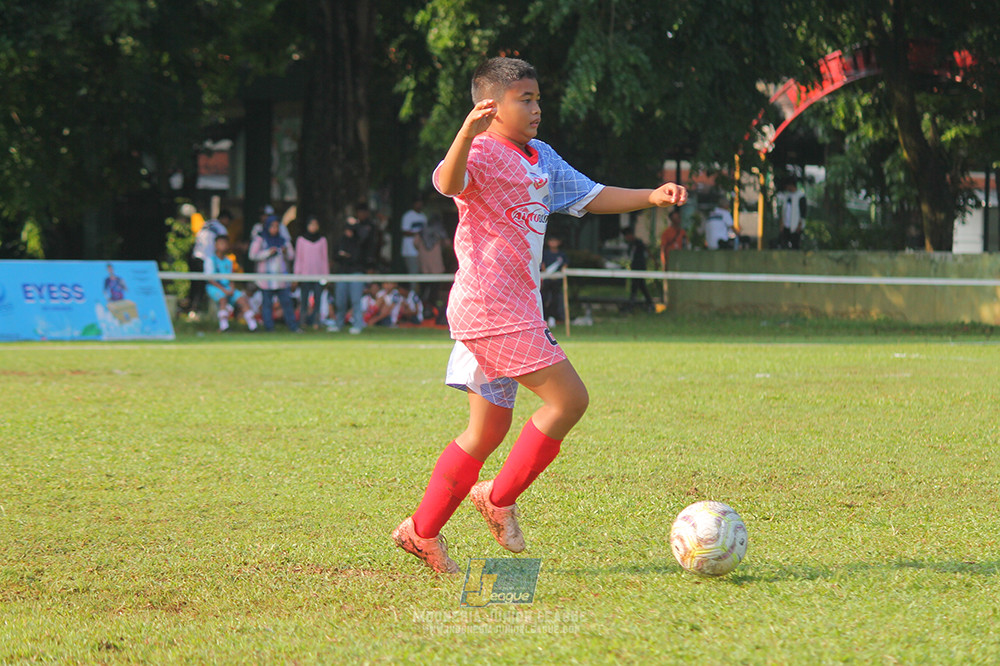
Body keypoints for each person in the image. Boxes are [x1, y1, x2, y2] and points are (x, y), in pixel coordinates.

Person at [390, 56, 687, 573]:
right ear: (490, 106)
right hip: (492, 308)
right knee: (569, 399)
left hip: (513, 307)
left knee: (485, 434)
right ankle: (498, 498)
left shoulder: (541, 156)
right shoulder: (479, 151)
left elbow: (591, 196)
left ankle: (421, 531)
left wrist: (650, 197)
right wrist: (464, 134)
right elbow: (447, 181)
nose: (536, 108)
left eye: (537, 98)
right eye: (524, 99)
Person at [249, 216, 300, 332]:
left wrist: (286, 252)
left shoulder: (283, 240)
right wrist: (268, 252)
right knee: (267, 304)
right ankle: (269, 328)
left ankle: (293, 327)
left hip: (281, 279)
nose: (275, 229)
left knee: (287, 303)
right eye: (272, 226)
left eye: (277, 226)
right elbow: (252, 255)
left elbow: (292, 256)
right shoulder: (260, 239)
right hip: (265, 279)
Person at [205, 235, 258, 332]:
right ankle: (224, 327)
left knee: (243, 300)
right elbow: (210, 279)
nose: (224, 245)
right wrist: (224, 290)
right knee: (222, 299)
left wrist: (232, 288)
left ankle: (253, 327)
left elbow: (231, 277)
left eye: (225, 243)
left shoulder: (229, 261)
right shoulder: (210, 260)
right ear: (216, 245)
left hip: (228, 287)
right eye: (221, 243)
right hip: (215, 287)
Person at [189, 210, 231, 313]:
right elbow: (224, 244)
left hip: (195, 256)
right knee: (203, 286)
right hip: (206, 258)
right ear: (224, 219)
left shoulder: (207, 223)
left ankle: (192, 309)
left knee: (195, 285)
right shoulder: (221, 228)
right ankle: (197, 310)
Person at [330, 218, 367, 334]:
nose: (349, 232)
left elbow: (357, 257)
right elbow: (335, 255)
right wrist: (345, 256)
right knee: (340, 301)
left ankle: (358, 325)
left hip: (356, 273)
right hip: (342, 273)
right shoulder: (341, 240)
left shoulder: (359, 241)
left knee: (356, 300)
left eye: (351, 229)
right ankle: (338, 324)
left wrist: (356, 224)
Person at [294, 215, 330, 330]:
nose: (313, 227)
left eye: (315, 225)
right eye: (311, 224)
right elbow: (298, 258)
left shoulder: (322, 240)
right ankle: (303, 321)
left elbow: (324, 259)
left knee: (318, 299)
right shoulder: (301, 240)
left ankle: (316, 321)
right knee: (304, 299)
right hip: (305, 275)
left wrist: (326, 276)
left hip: (318, 275)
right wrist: (297, 275)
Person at [623, 227, 654, 312]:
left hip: (639, 267)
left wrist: (653, 261)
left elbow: (647, 251)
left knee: (636, 286)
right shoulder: (631, 244)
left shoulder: (638, 243)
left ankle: (631, 306)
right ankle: (649, 304)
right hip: (635, 267)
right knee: (641, 286)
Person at [540, 235, 568, 327]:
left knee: (556, 300)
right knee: (545, 298)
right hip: (547, 281)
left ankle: (555, 318)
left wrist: (558, 275)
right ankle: (544, 318)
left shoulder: (561, 254)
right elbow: (542, 265)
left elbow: (565, 265)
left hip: (557, 282)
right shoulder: (545, 253)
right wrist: (547, 275)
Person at [400, 198, 427, 282]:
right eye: (417, 203)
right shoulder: (408, 216)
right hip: (410, 250)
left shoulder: (423, 216)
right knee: (413, 274)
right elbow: (404, 231)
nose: (419, 205)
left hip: (421, 250)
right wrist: (417, 234)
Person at [777, 180, 806, 249]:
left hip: (796, 225)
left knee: (795, 245)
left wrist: (800, 224)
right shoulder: (786, 195)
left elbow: (803, 212)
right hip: (786, 225)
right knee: (784, 244)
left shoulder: (800, 196)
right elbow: (783, 210)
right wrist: (782, 222)